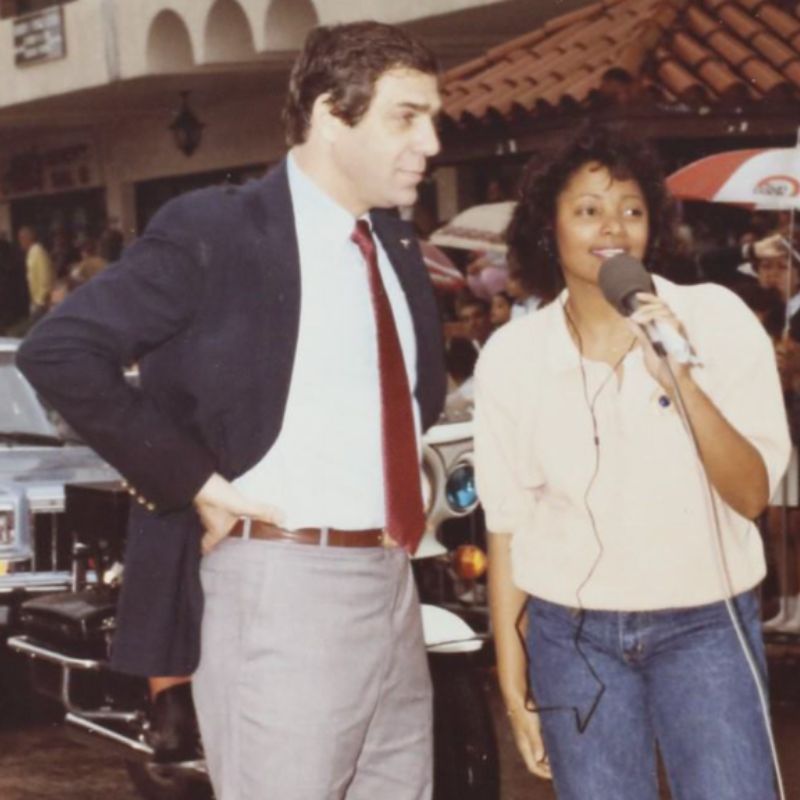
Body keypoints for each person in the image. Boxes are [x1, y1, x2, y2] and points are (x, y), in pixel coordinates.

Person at [17, 20, 445, 800]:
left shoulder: (394, 242)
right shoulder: (217, 228)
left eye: (432, 118)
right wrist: (196, 483)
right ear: (329, 114)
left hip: (393, 582)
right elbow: (61, 350)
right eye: (406, 116)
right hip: (281, 586)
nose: (431, 142)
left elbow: (412, 400)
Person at [474, 126, 790, 799]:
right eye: (588, 209)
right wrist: (512, 672)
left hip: (708, 627)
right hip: (572, 637)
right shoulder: (512, 355)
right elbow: (507, 524)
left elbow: (753, 495)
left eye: (632, 209)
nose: (613, 226)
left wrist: (683, 382)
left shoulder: (715, 319)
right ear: (547, 227)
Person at [16, 226, 54, 318]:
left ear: (27, 239)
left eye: (21, 239)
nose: (20, 243)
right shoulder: (32, 252)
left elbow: (45, 276)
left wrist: (42, 299)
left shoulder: (38, 252)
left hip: (41, 301)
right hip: (36, 300)